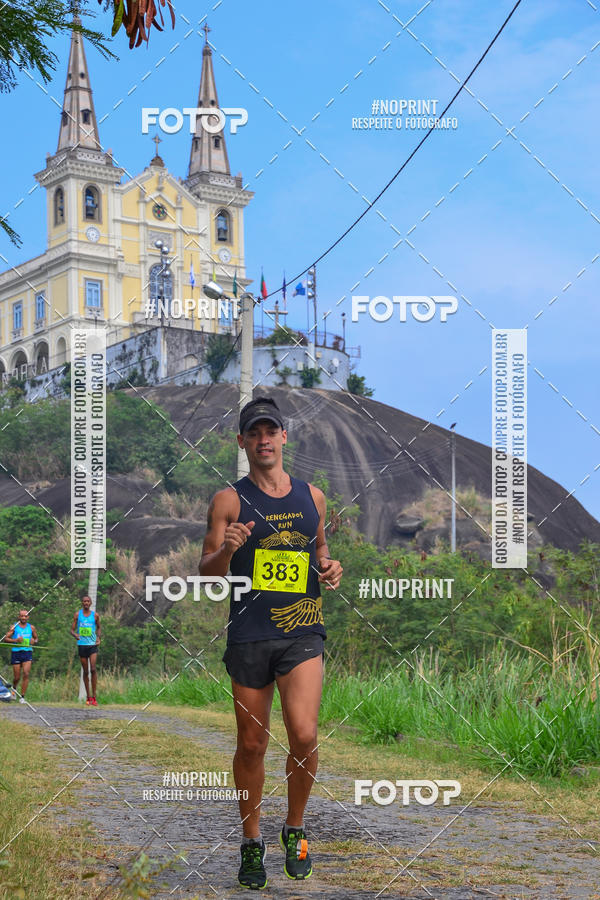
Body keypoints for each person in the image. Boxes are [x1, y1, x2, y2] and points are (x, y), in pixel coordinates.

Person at [200, 396, 343, 890]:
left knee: (304, 735)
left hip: (302, 629)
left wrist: (329, 565)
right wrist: (228, 550)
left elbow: (319, 548)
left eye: (271, 431)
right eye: (253, 433)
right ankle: (251, 841)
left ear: (284, 437)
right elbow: (207, 571)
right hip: (249, 634)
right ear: (242, 443)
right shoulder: (228, 500)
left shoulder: (313, 496)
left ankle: (296, 828)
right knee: (253, 743)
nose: (263, 439)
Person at [70, 595, 101, 706]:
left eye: (88, 601)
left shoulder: (95, 615)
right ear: (82, 603)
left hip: (92, 645)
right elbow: (71, 630)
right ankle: (88, 697)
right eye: (84, 601)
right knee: (86, 671)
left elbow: (99, 628)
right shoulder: (77, 615)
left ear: (90, 603)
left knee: (93, 669)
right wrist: (75, 635)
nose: (86, 603)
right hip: (82, 645)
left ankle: (94, 697)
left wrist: (98, 638)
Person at [3, 609, 38, 703]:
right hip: (16, 653)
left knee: (26, 674)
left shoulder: (31, 627)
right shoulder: (14, 627)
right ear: (19, 617)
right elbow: (6, 639)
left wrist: (34, 641)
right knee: (17, 677)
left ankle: (22, 697)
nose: (23, 618)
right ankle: (14, 690)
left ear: (28, 617)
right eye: (22, 616)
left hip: (27, 652)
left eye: (25, 616)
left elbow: (36, 638)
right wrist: (15, 640)